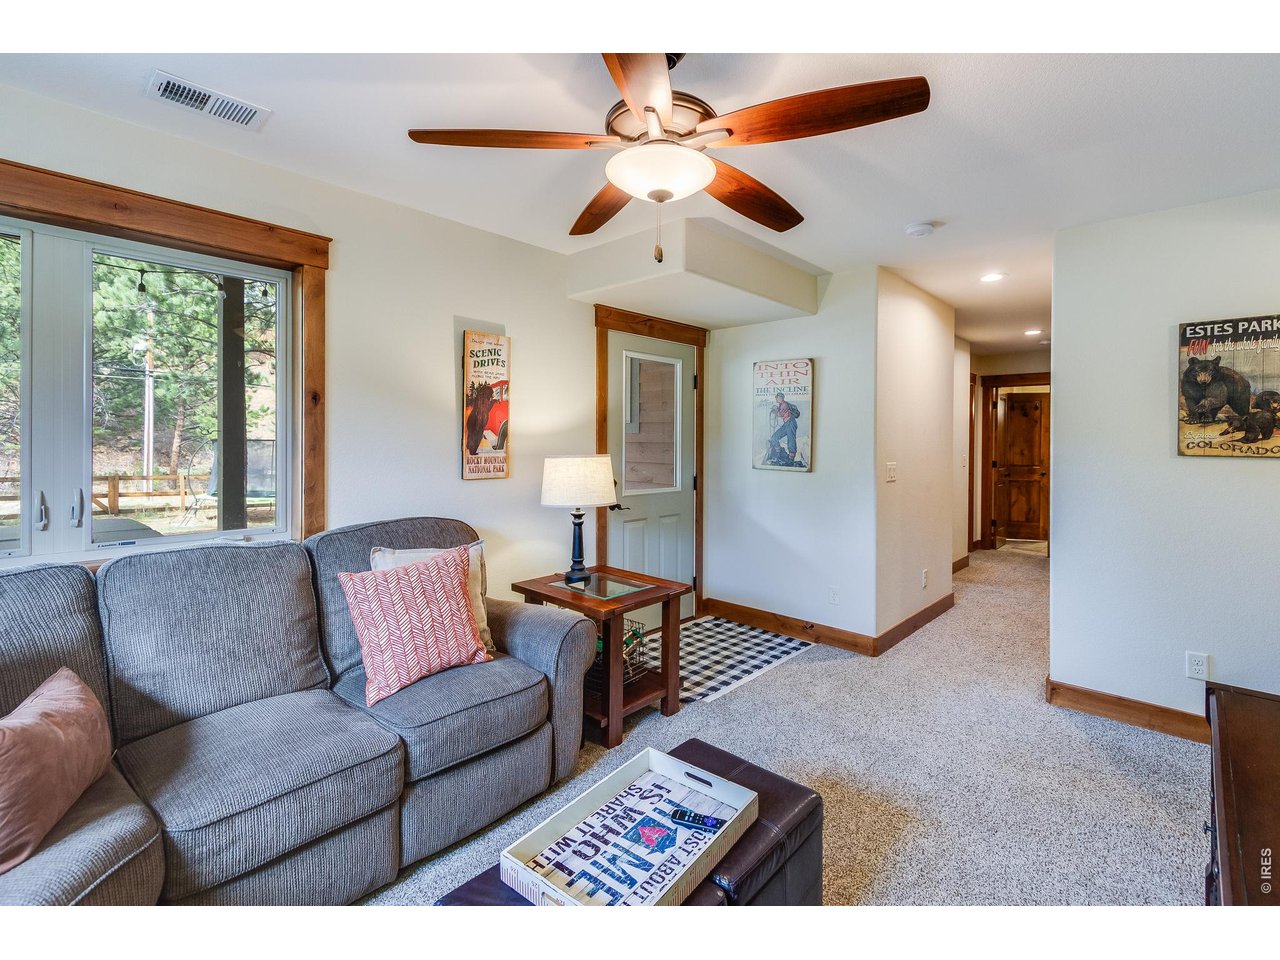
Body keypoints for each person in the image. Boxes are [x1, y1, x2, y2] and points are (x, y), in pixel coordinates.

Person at [767, 392, 802, 466]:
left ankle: (791, 460)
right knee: (774, 437)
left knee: (791, 441)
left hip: (791, 423)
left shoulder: (784, 404)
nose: (776, 398)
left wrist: (775, 410)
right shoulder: (781, 405)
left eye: (777, 397)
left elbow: (781, 414)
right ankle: (779, 454)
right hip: (786, 424)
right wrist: (776, 409)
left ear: (780, 398)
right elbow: (781, 413)